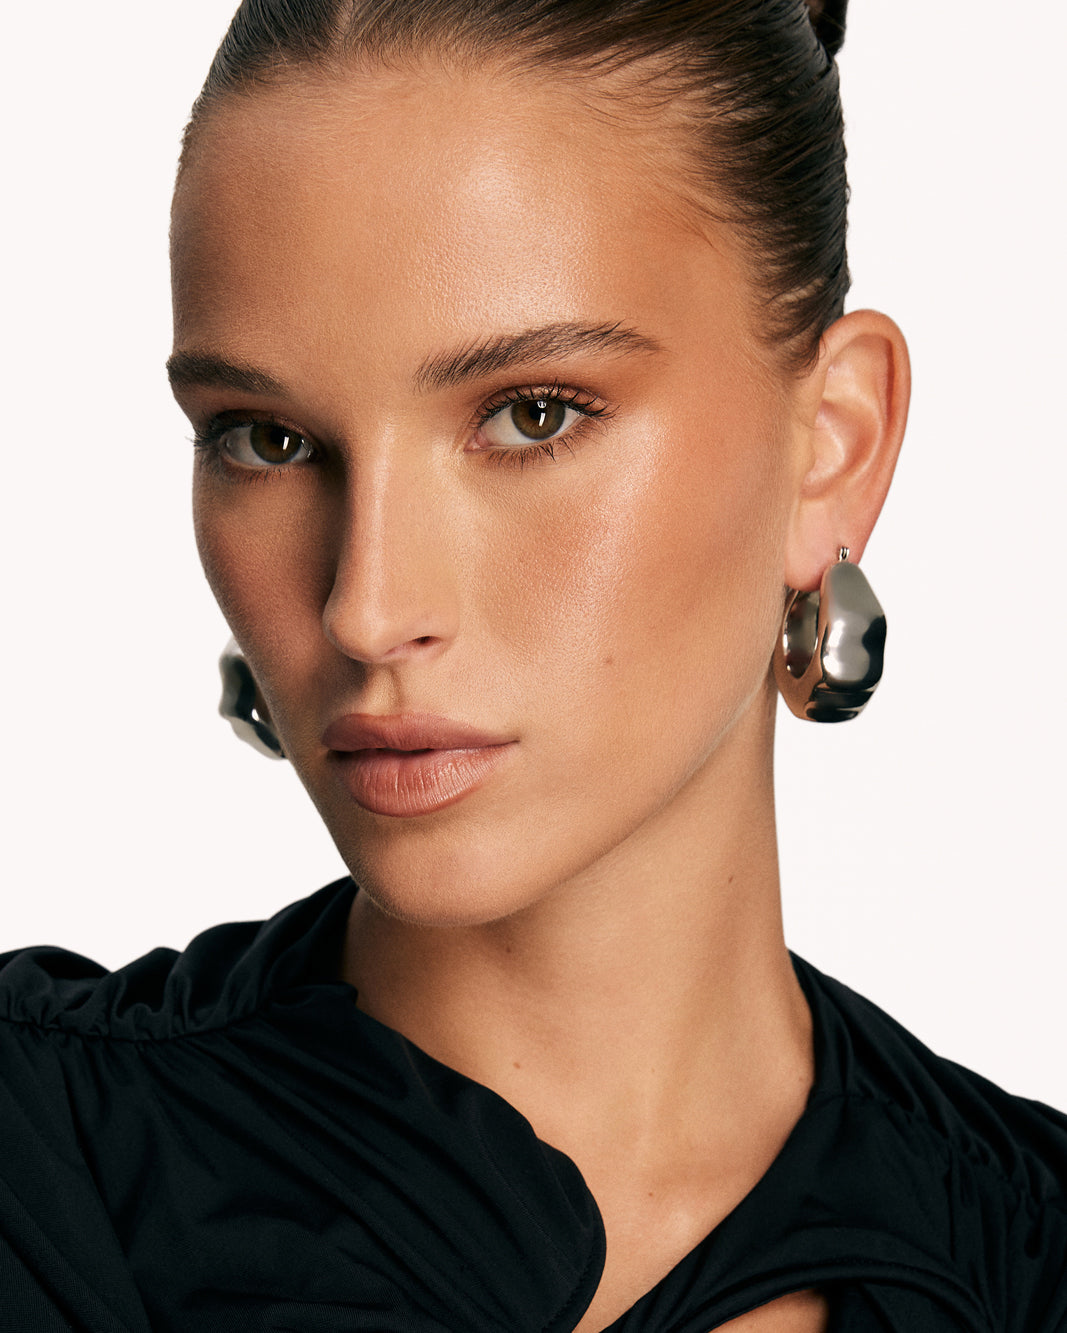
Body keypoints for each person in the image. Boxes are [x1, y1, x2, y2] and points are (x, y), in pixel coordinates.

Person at [1, 1, 1064, 1330]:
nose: (366, 608)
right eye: (266, 440)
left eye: (531, 414)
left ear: (832, 447)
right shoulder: (38, 1165)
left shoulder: (1033, 1261)